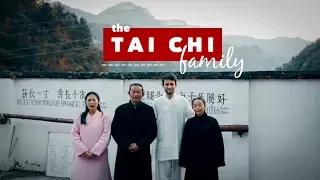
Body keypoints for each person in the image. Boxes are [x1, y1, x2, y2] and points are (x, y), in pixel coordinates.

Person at [152, 73, 195, 180]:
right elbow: (151, 123)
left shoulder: (183, 101)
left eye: (172, 84)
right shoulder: (157, 103)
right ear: (163, 86)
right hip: (162, 145)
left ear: (176, 85)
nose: (169, 86)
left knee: (178, 176)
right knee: (161, 176)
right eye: (167, 84)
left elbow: (192, 119)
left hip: (178, 144)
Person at [111, 83, 157, 180]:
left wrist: (139, 144)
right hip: (124, 152)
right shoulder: (120, 110)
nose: (136, 94)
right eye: (133, 92)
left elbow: (152, 132)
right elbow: (115, 130)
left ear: (143, 94)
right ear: (129, 93)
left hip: (142, 151)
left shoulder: (149, 110)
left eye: (138, 92)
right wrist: (127, 144)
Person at [179, 97, 226, 180]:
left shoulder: (212, 121)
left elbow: (219, 142)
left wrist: (218, 161)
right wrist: (184, 160)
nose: (197, 108)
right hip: (193, 161)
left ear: (205, 106)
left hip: (209, 160)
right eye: (195, 106)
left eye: (200, 105)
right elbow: (185, 142)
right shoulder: (189, 123)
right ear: (192, 108)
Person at [71, 91, 112, 180]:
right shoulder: (79, 117)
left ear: (99, 102)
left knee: (98, 176)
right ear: (86, 102)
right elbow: (74, 135)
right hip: (82, 155)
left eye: (94, 100)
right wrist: (83, 151)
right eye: (89, 100)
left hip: (99, 155)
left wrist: (95, 151)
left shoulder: (105, 117)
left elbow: (106, 135)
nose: (91, 102)